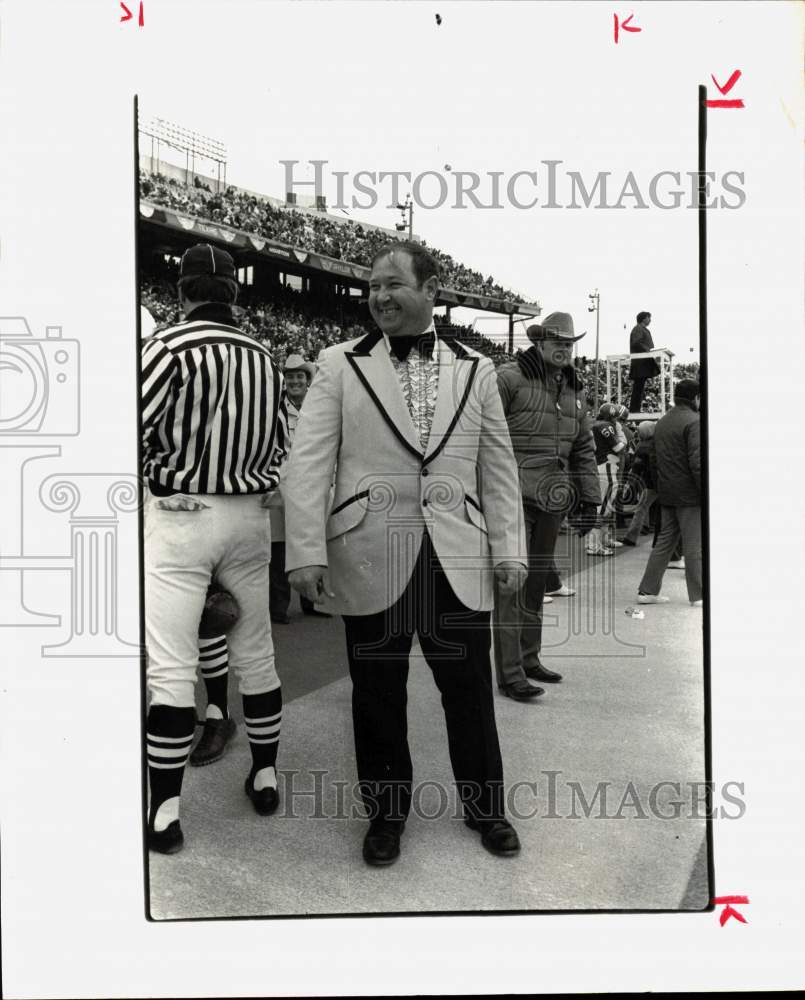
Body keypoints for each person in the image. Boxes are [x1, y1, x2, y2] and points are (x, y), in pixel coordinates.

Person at [283, 242, 527, 865]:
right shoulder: (338, 364)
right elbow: (308, 464)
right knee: (376, 693)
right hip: (368, 553)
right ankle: (386, 817)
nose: (379, 297)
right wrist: (304, 551)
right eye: (371, 287)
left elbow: (497, 468)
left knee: (469, 689)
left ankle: (486, 808)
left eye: (392, 284)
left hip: (457, 555)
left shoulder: (477, 370)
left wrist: (511, 549)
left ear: (431, 288)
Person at [141, 243, 288, 854]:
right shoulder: (267, 359)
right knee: (256, 653)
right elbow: (281, 446)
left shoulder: (166, 347)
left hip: (181, 515)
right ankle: (264, 774)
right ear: (234, 291)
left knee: (172, 667)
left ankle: (166, 814)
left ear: (183, 290)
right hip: (249, 517)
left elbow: (129, 425)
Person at [493, 314, 601, 698]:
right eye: (557, 341)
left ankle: (528, 657)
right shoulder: (508, 378)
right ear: (539, 343)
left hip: (552, 499)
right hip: (512, 498)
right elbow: (482, 435)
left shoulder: (572, 387)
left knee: (537, 584)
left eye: (570, 343)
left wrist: (589, 496)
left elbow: (584, 447)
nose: (564, 348)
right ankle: (509, 674)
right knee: (512, 584)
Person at [267, 354, 332, 624]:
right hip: (283, 483)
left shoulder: (318, 409)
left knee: (313, 542)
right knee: (280, 547)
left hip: (312, 485)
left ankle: (312, 601)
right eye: (290, 376)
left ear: (308, 381)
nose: (295, 381)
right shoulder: (275, 410)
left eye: (300, 376)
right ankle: (278, 607)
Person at [636, 379, 703, 606]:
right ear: (695, 398)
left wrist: (661, 486)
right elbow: (697, 462)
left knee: (664, 542)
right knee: (694, 546)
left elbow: (653, 460)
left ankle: (647, 591)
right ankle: (700, 595)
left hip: (667, 491)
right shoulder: (695, 421)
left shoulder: (662, 421)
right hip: (690, 494)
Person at [586, 403, 626, 556]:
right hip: (607, 466)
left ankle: (600, 541)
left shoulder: (596, 424)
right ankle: (594, 545)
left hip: (602, 465)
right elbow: (618, 448)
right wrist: (623, 438)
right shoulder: (606, 426)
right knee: (602, 508)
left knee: (606, 507)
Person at [629, 311, 660, 414]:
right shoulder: (638, 328)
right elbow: (636, 343)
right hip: (640, 362)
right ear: (643, 319)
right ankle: (634, 410)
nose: (650, 320)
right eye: (648, 318)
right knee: (638, 388)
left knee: (639, 387)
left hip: (643, 362)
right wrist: (647, 350)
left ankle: (635, 409)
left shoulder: (643, 329)